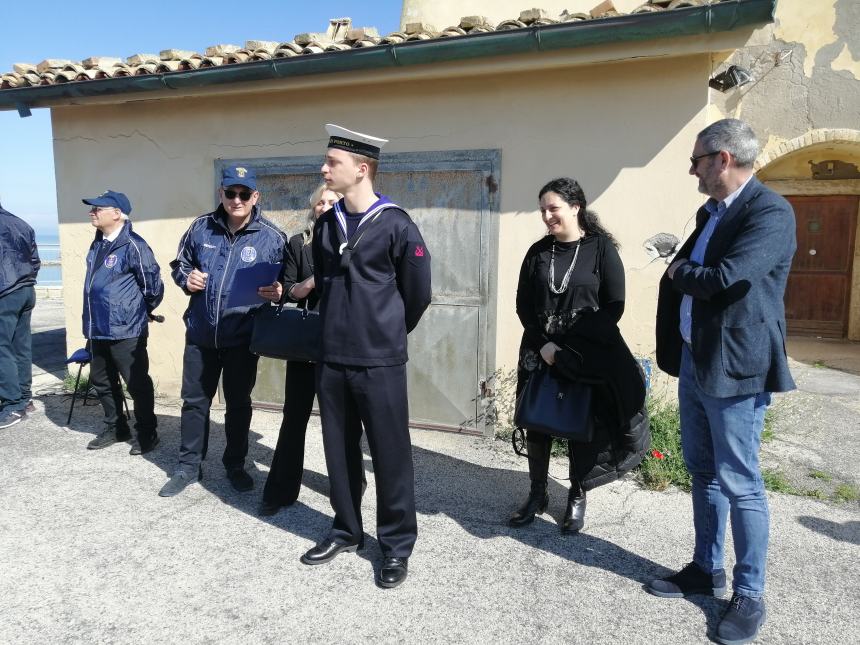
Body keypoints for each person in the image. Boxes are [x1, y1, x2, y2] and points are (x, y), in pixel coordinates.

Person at [649, 118, 796, 645]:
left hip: (735, 367)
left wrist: (673, 268)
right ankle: (705, 570)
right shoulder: (709, 212)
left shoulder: (771, 212)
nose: (692, 171)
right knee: (703, 471)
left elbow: (724, 280)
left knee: (742, 482)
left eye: (697, 161)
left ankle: (750, 593)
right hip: (695, 358)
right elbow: (701, 272)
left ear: (723, 158)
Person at [301, 124, 431, 589]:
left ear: (361, 169)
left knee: (391, 455)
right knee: (338, 451)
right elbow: (322, 283)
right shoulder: (327, 223)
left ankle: (395, 546)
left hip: (379, 362)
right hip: (332, 357)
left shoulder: (397, 224)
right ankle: (346, 529)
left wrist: (385, 333)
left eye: (332, 162)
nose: (323, 169)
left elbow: (417, 294)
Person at [510, 177, 648, 533]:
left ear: (575, 207)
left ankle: (576, 494)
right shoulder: (538, 252)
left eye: (553, 208)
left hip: (584, 353)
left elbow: (613, 307)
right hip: (539, 350)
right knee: (538, 423)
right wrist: (544, 345)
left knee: (581, 424)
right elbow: (524, 306)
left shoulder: (601, 249)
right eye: (542, 209)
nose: (546, 215)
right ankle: (537, 492)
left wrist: (570, 348)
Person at [161, 166, 287, 497]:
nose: (236, 200)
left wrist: (279, 292)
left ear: (255, 197)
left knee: (238, 404)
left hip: (242, 339)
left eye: (244, 194)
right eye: (230, 193)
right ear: (222, 194)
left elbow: (283, 283)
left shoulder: (273, 238)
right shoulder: (201, 228)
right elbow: (179, 265)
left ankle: (235, 464)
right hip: (201, 334)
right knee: (194, 402)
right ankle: (188, 466)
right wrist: (186, 279)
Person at [258, 183, 341, 516]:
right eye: (320, 202)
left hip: (345, 346)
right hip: (307, 343)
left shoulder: (360, 241)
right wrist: (307, 285)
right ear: (313, 208)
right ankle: (280, 490)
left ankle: (345, 492)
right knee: (294, 418)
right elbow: (288, 290)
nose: (325, 206)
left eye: (332, 201)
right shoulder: (298, 244)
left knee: (341, 423)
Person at [81, 191, 164, 453]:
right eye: (92, 209)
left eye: (98, 208)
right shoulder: (98, 244)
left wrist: (138, 311)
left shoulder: (134, 245)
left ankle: (148, 433)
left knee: (137, 384)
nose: (92, 212)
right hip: (98, 328)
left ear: (117, 214)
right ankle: (116, 427)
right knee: (102, 381)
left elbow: (153, 285)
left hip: (125, 328)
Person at [0, 202, 40, 429]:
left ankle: (12, 404)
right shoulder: (20, 223)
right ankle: (25, 398)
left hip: (4, 291)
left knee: (2, 348)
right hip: (25, 289)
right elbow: (34, 260)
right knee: (20, 346)